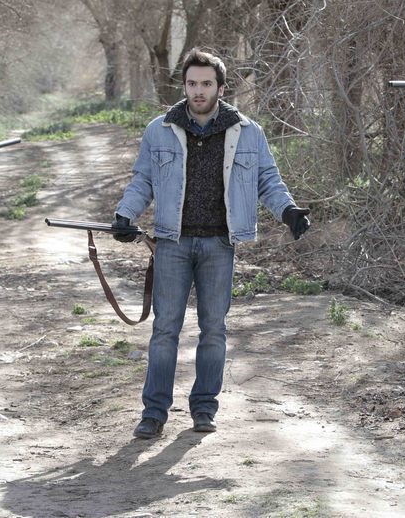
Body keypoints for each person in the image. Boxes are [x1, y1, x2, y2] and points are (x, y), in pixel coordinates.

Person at [113, 48, 310, 439]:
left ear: (221, 87)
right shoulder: (160, 129)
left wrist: (287, 211)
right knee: (165, 330)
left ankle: (204, 408)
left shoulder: (248, 132)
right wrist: (125, 215)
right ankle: (153, 414)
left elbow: (267, 180)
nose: (198, 91)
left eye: (206, 84)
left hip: (220, 244)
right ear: (184, 85)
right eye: (191, 83)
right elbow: (144, 180)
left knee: (214, 330)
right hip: (172, 242)